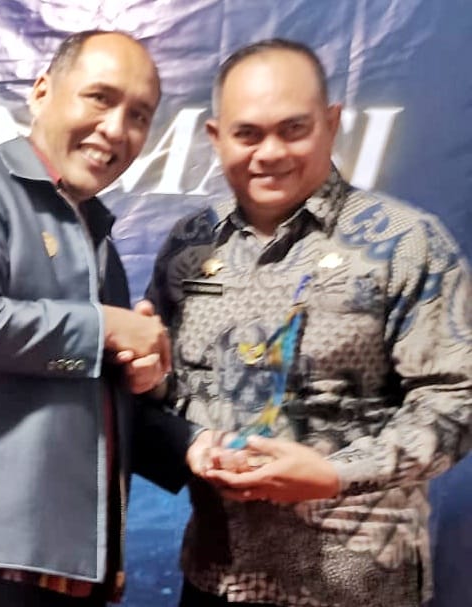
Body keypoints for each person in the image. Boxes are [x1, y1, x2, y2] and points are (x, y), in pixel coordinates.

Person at [0, 30, 200, 607]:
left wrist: (148, 389)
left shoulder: (97, 235)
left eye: (139, 115)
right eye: (100, 98)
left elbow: (81, 383)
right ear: (43, 90)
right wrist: (106, 327)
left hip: (69, 563)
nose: (116, 129)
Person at [144, 38, 472, 606]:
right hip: (215, 579)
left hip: (356, 587)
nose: (270, 152)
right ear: (216, 137)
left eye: (293, 129)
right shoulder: (189, 245)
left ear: (332, 123)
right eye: (248, 134)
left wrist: (335, 473)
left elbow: (457, 399)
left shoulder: (406, 243)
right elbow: (165, 391)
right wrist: (150, 381)